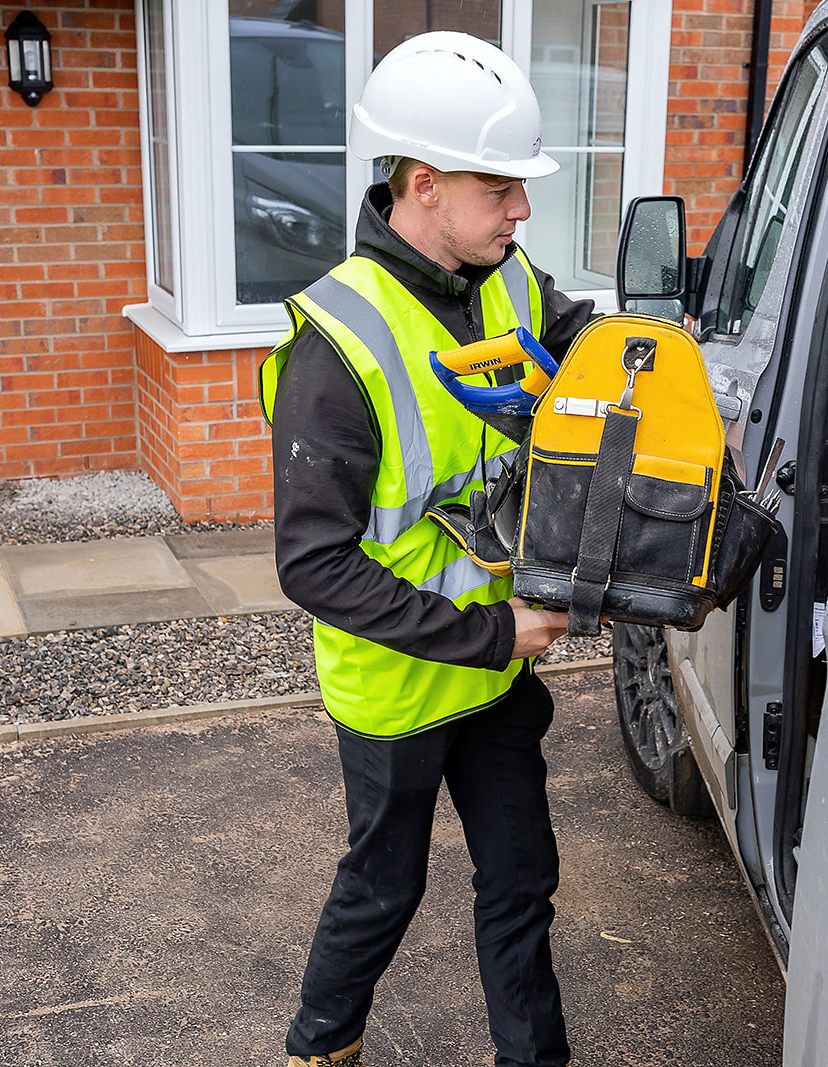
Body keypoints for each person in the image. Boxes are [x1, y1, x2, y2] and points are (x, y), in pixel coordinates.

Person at [257, 31, 596, 1067]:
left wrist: (650, 363)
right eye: (501, 189)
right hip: (402, 687)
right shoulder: (339, 344)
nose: (521, 210)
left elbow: (576, 337)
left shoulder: (506, 280)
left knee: (520, 878)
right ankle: (320, 1049)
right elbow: (311, 564)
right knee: (382, 888)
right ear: (424, 185)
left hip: (491, 681)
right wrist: (492, 631)